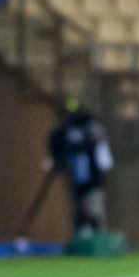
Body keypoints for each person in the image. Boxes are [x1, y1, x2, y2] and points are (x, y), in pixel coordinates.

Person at [46, 99, 114, 237]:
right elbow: (55, 145)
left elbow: (103, 154)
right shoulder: (62, 130)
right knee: (78, 210)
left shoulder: (92, 127)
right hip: (75, 179)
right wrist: (56, 161)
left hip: (93, 179)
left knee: (95, 209)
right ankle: (81, 238)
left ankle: (99, 239)